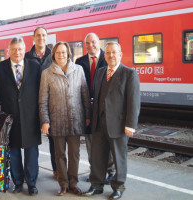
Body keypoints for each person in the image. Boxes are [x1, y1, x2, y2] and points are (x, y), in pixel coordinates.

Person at [0, 37, 41, 196]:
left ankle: (31, 184)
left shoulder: (36, 67)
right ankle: (17, 182)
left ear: (25, 50)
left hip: (31, 118)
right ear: (9, 51)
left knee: (31, 154)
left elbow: (42, 94)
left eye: (20, 49)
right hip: (9, 120)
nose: (17, 52)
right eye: (14, 49)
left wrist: (44, 118)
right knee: (13, 153)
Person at [83, 41, 140, 200]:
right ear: (105, 55)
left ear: (120, 54)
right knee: (97, 157)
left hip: (119, 125)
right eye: (108, 52)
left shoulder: (129, 74)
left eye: (114, 52)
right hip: (99, 124)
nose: (111, 55)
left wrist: (131, 125)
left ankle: (118, 186)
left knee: (119, 158)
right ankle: (96, 185)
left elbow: (133, 102)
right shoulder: (101, 72)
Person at [39, 41, 91, 196]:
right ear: (53, 55)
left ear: (68, 54)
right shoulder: (47, 74)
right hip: (56, 121)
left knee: (74, 154)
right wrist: (45, 120)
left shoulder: (79, 70)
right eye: (58, 52)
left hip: (76, 120)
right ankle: (63, 184)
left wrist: (88, 116)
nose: (61, 55)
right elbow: (42, 100)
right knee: (59, 154)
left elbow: (85, 95)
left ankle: (73, 183)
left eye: (63, 52)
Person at [75, 33, 115, 184]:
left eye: (93, 42)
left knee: (108, 140)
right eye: (87, 43)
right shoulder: (79, 62)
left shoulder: (108, 58)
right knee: (91, 142)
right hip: (88, 110)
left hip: (106, 108)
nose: (90, 45)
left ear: (99, 43)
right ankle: (95, 172)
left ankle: (111, 172)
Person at [25, 26, 57, 179]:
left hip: (50, 104)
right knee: (32, 142)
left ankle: (57, 170)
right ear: (34, 37)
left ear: (47, 37)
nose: (41, 37)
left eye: (43, 35)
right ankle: (32, 173)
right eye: (38, 35)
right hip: (31, 105)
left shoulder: (54, 56)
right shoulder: (26, 57)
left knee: (54, 140)